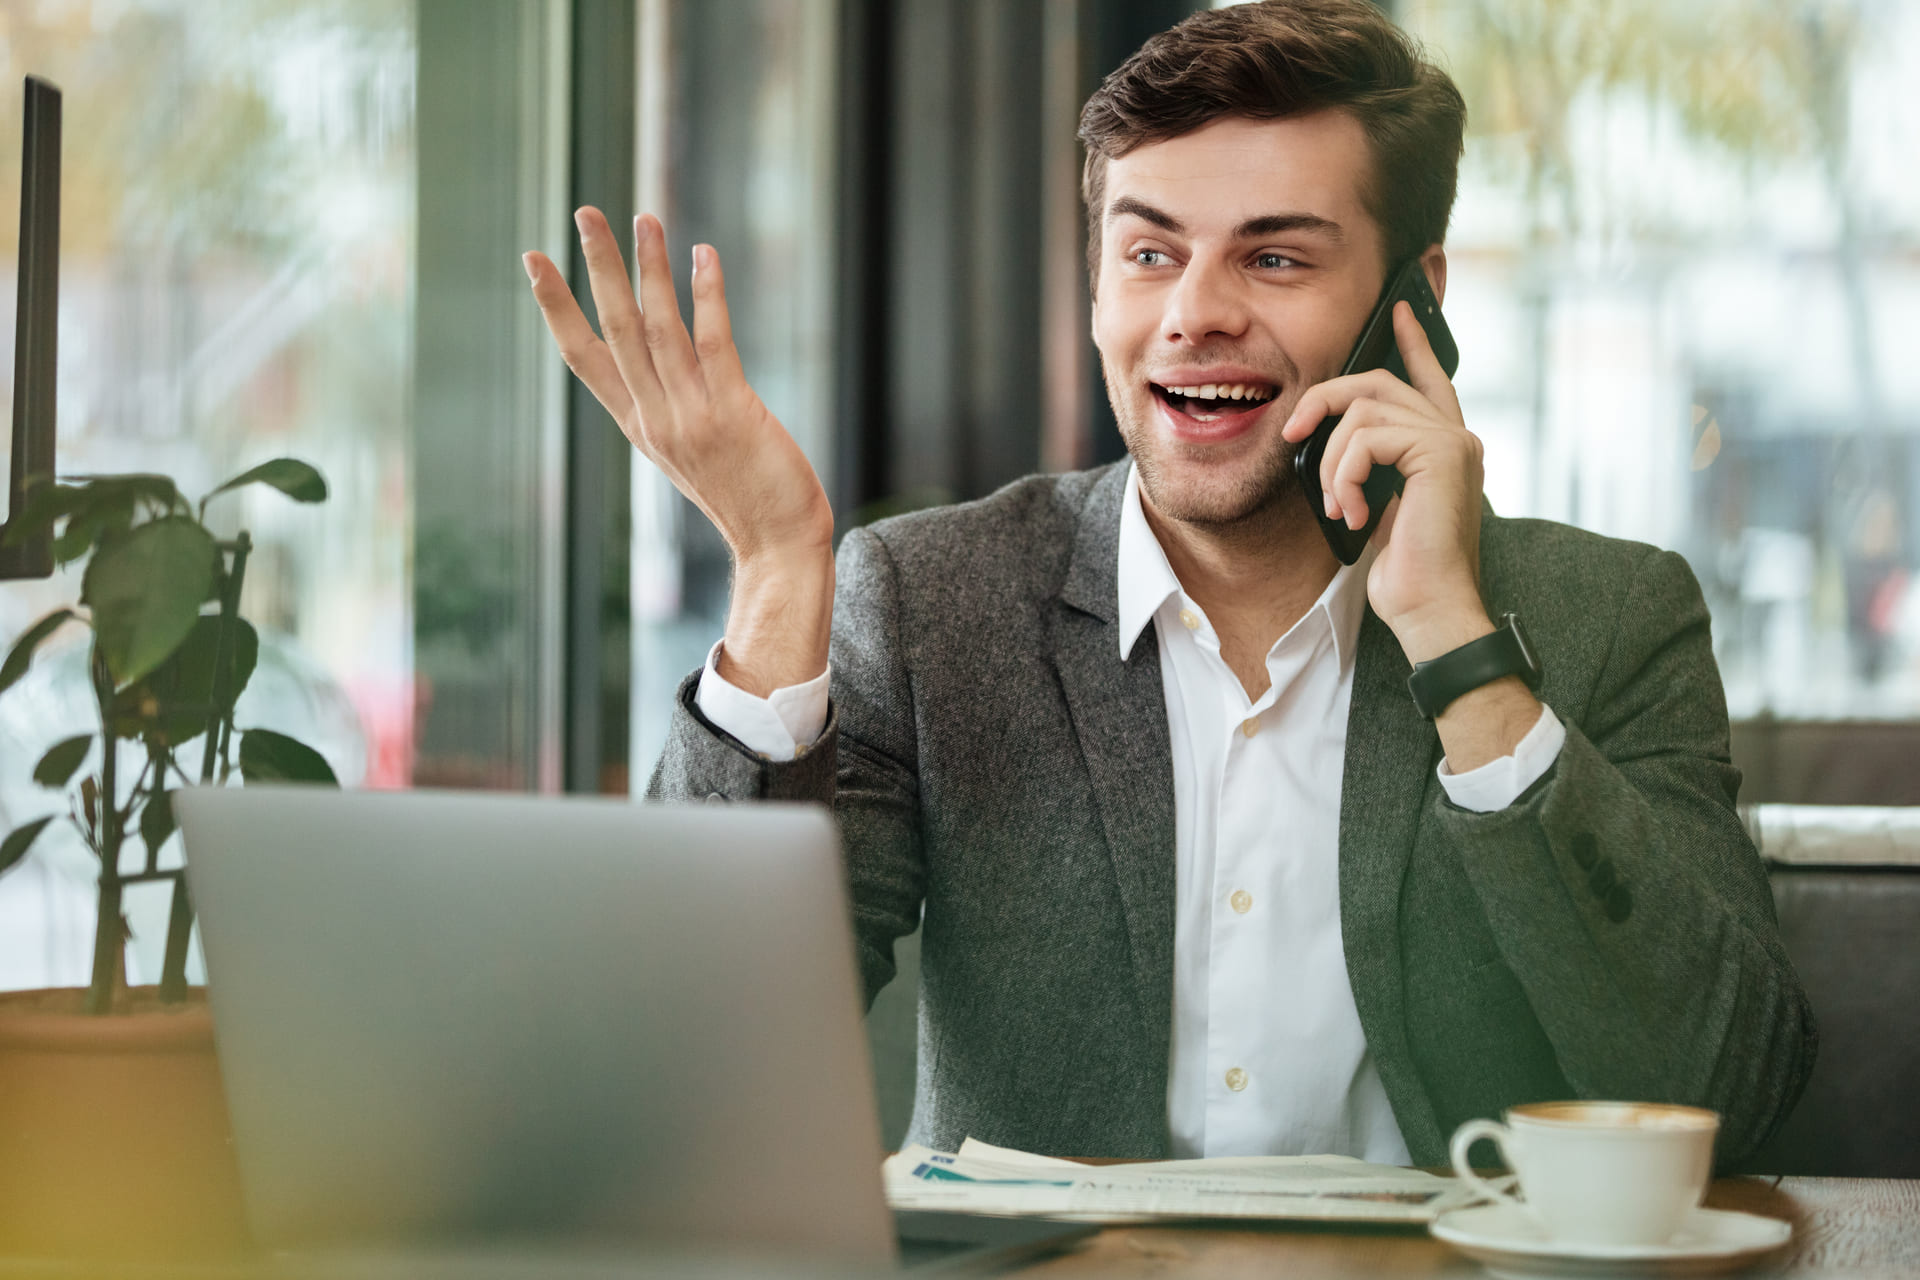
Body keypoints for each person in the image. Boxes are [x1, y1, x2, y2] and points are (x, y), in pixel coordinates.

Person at [521, 0, 1815, 1166]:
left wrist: (1458, 649)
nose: (1193, 315)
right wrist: (774, 576)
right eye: (1149, 254)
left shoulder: (1610, 618)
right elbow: (698, 1055)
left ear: (1413, 304)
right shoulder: (929, 603)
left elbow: (1726, 1093)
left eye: (1275, 258)